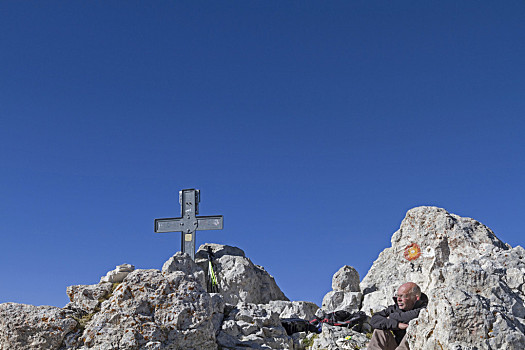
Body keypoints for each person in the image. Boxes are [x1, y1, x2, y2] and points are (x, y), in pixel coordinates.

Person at [367, 282, 428, 350]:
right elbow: (374, 319)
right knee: (379, 331)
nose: (398, 299)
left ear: (416, 298)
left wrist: (391, 317)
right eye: (398, 296)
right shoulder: (395, 308)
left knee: (413, 329)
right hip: (396, 346)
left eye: (403, 296)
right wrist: (397, 324)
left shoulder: (425, 308)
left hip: (414, 347)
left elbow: (410, 316)